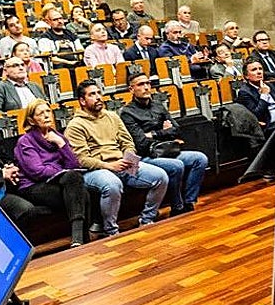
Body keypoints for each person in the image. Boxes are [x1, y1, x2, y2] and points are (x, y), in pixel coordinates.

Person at [65, 80, 169, 235]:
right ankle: (111, 230)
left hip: (121, 162)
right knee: (112, 185)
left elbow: (127, 142)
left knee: (160, 177)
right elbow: (81, 159)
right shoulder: (75, 125)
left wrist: (129, 159)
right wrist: (110, 166)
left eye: (99, 93)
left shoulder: (112, 116)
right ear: (82, 101)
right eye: (92, 94)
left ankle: (146, 219)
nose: (98, 97)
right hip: (96, 169)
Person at [120, 72, 208, 214]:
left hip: (167, 150)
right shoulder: (127, 113)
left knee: (200, 159)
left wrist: (154, 134)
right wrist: (164, 132)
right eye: (141, 84)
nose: (146, 87)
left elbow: (176, 130)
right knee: (177, 165)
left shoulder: (158, 105)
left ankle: (189, 201)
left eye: (148, 83)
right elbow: (141, 143)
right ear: (131, 89)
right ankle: (177, 206)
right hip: (147, 156)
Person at [13, 100, 92, 246]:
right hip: (33, 186)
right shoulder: (25, 141)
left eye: (48, 111)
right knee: (80, 192)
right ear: (31, 120)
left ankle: (78, 240)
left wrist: (61, 144)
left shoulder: (57, 137)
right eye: (41, 114)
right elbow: (37, 171)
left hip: (61, 182)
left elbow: (74, 165)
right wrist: (62, 172)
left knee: (77, 184)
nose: (46, 116)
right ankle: (82, 238)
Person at [235, 59, 275, 135]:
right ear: (246, 76)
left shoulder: (269, 85)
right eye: (254, 70)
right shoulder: (244, 92)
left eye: (260, 69)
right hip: (271, 126)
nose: (259, 72)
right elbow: (256, 114)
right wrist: (264, 95)